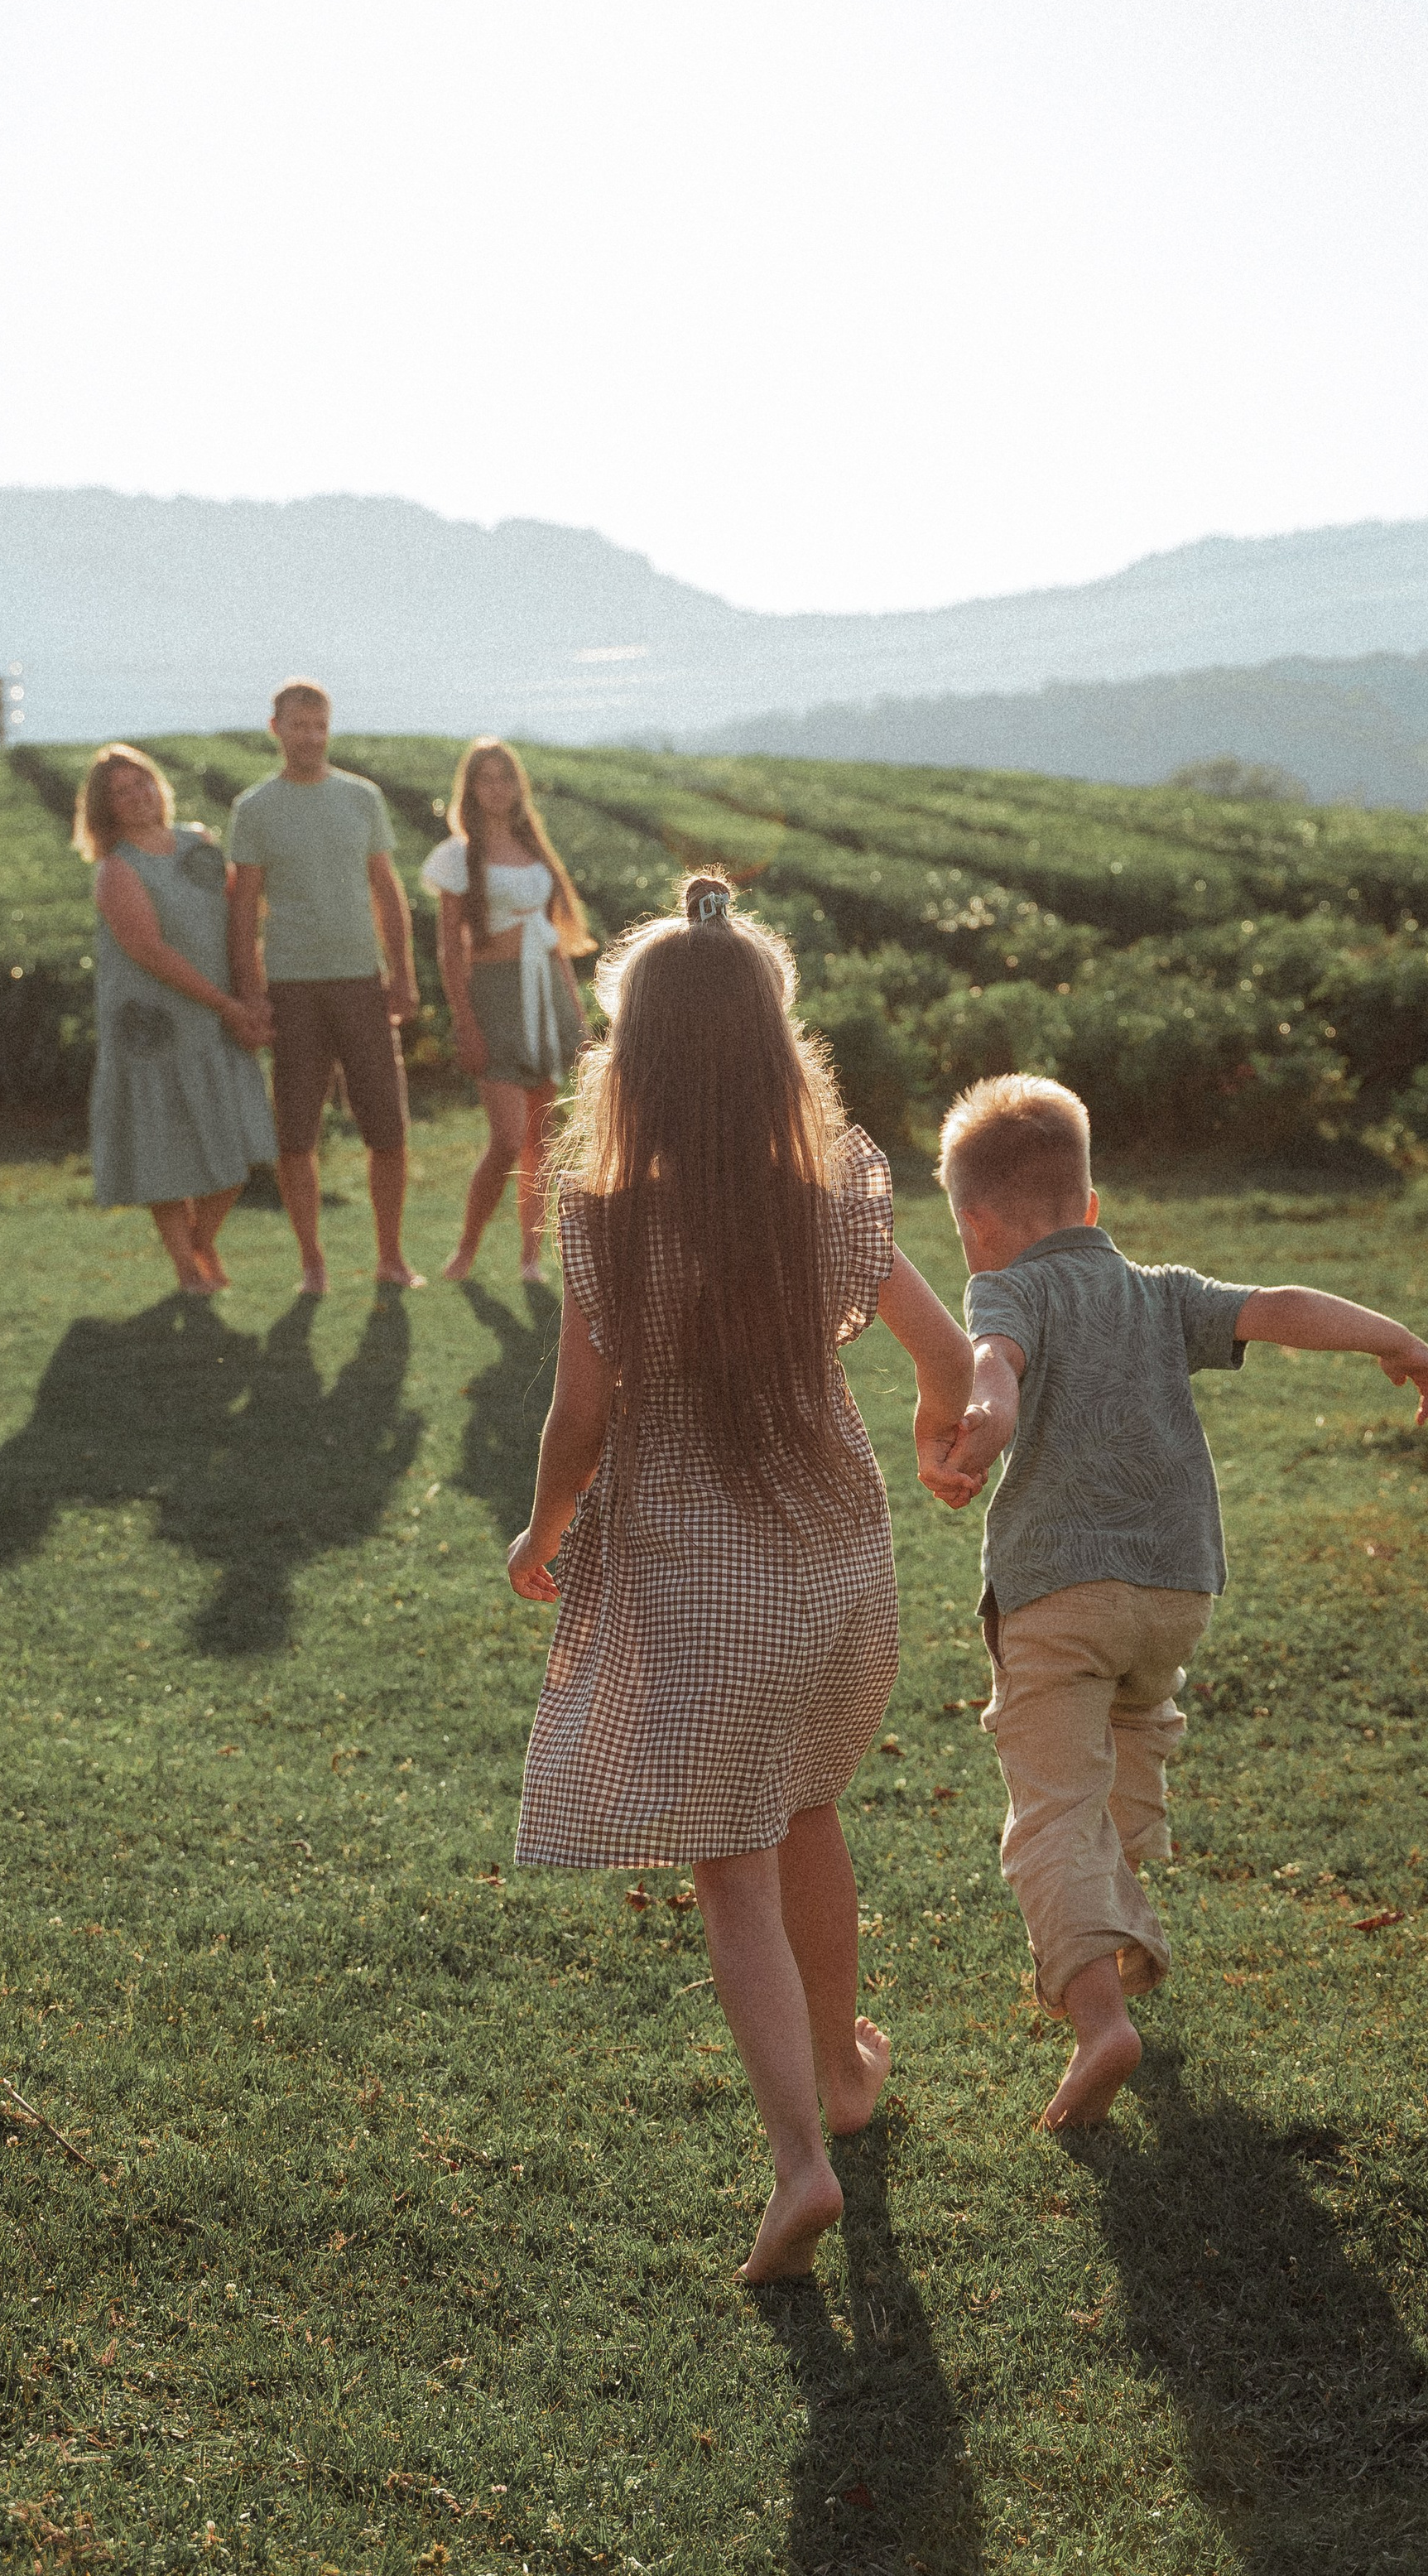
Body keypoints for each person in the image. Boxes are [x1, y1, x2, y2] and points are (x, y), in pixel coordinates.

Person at [504, 875, 976, 2285]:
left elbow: (583, 1414)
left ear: (628, 1064)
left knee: (732, 1864)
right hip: (836, 1557)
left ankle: (800, 2158)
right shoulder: (835, 1199)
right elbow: (949, 1359)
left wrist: (543, 1523)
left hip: (704, 1567)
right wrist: (939, 1432)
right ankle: (840, 2069)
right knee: (808, 1802)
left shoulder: (606, 1216)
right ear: (780, 1052)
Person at [931, 1074, 1428, 2132]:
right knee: (1132, 1735)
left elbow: (993, 1364)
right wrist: (1391, 1335)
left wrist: (983, 1420)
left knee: (1050, 1804)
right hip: (1174, 1594)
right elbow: (1278, 1306)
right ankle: (1126, 1941)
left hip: (1057, 1592)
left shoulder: (1008, 1289)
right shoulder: (1160, 1288)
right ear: (1089, 1208)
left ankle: (1096, 2016)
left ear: (978, 1226)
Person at [225, 681, 425, 1294]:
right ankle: (313, 1264)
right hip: (292, 988)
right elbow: (243, 909)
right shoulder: (254, 808)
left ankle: (390, 1258)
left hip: (362, 985)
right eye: (298, 725)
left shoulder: (361, 798)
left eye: (319, 725)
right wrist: (252, 992)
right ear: (275, 728)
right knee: (296, 1135)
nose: (309, 736)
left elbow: (387, 892)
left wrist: (404, 974)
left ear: (328, 729)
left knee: (387, 1130)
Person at [76, 744, 277, 1293]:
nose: (137, 796)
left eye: (141, 782)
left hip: (219, 1017)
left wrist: (251, 997)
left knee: (239, 1146)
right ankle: (188, 1268)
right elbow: (150, 952)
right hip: (155, 1028)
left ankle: (201, 1241)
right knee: (162, 1148)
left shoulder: (200, 846)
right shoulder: (117, 870)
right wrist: (228, 1005)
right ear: (106, 808)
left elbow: (241, 925)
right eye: (121, 791)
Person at [421, 739, 595, 1283]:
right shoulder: (458, 854)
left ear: (518, 785)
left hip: (544, 992)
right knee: (505, 1138)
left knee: (541, 1139)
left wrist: (579, 1019)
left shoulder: (532, 846)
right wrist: (465, 1022)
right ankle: (466, 1250)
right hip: (492, 996)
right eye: (486, 779)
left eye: (506, 777)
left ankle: (529, 1257)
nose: (498, 788)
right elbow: (451, 948)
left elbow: (553, 941)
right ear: (470, 788)